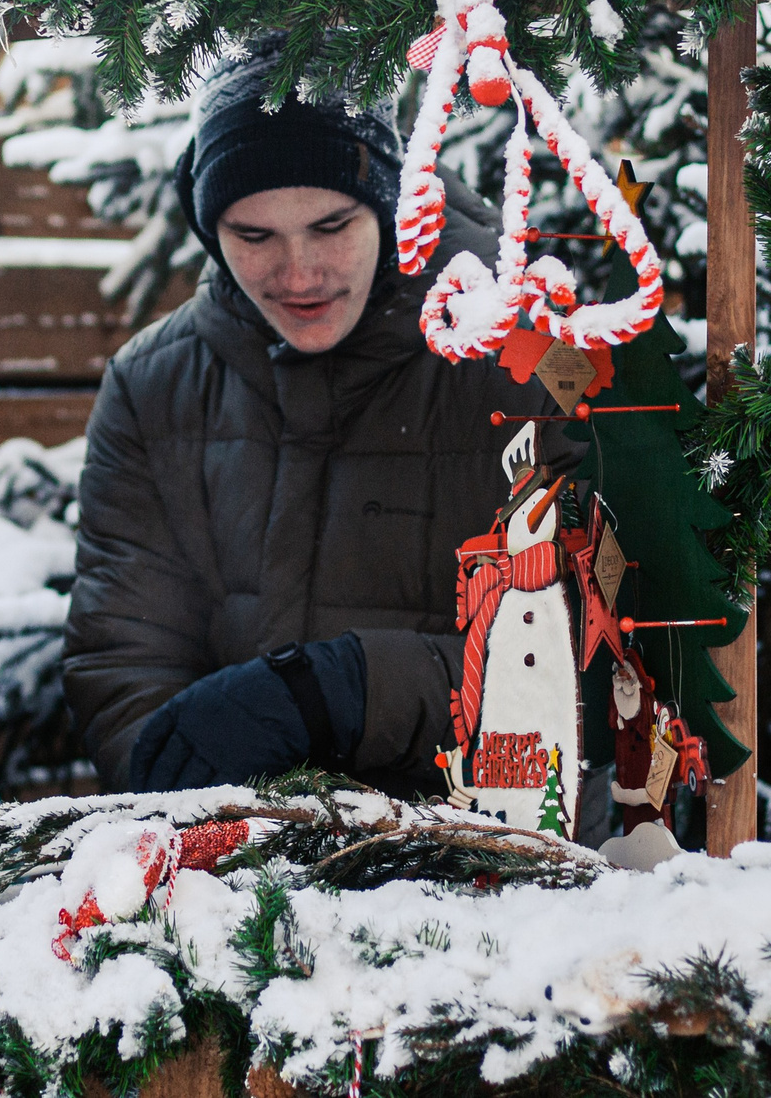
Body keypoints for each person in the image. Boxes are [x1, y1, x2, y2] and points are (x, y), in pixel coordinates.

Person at [63, 40, 561, 799]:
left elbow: (596, 664)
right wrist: (193, 795)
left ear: (393, 208)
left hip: (504, 869)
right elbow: (124, 656)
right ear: (208, 230)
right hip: (234, 874)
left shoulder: (528, 358)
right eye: (253, 236)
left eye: (331, 226)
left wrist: (356, 687)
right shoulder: (152, 386)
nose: (297, 275)